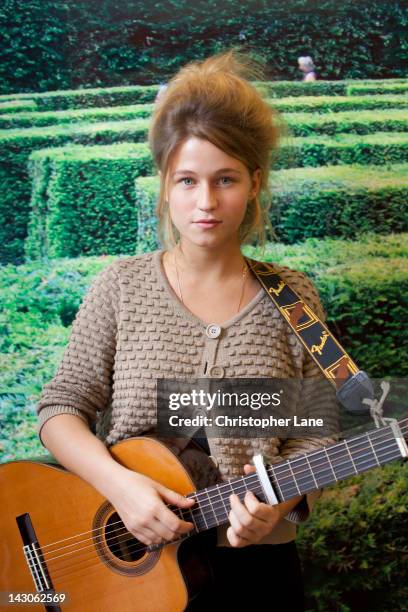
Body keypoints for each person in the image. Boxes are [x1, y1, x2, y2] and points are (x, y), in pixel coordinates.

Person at [37, 50, 337, 610]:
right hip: (128, 574)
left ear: (254, 181)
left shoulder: (293, 297)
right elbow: (61, 407)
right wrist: (118, 485)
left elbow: (311, 433)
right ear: (164, 184)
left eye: (225, 179)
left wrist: (281, 502)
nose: (205, 203)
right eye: (187, 181)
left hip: (257, 574)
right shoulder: (121, 287)